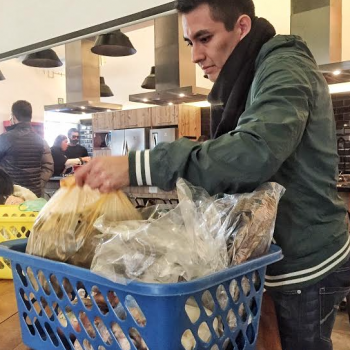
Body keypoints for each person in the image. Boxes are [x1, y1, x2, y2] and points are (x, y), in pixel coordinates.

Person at [75, 1, 350, 348]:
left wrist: (137, 165)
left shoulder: (285, 64)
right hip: (269, 262)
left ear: (242, 26)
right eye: (191, 42)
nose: (196, 55)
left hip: (304, 265)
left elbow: (252, 153)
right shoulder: (247, 77)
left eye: (205, 38)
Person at [0, 100, 53, 197]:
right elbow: (48, 166)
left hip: (11, 194)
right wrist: (38, 184)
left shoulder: (3, 139)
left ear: (13, 116)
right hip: (34, 195)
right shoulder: (41, 140)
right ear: (30, 117)